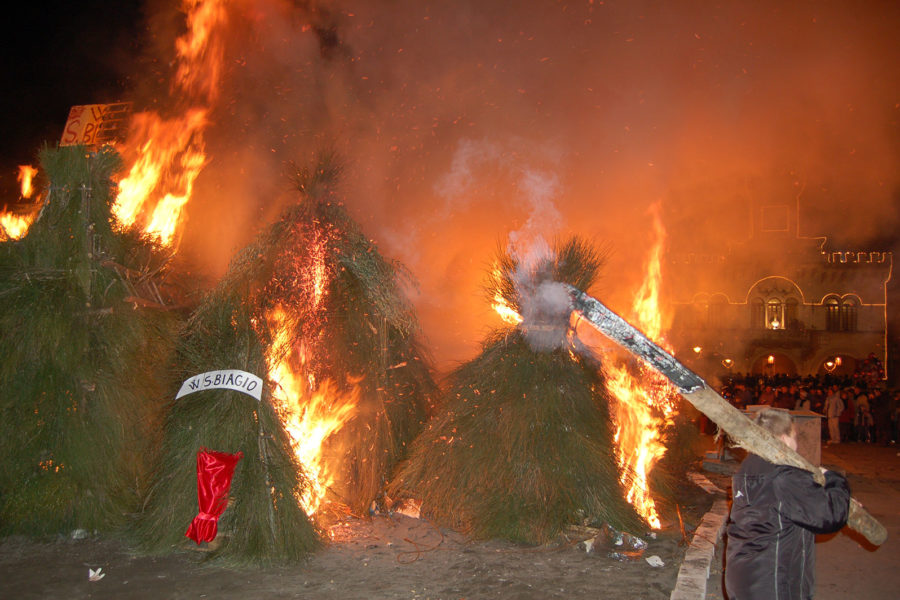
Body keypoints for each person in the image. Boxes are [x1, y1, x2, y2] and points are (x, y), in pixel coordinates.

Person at [725, 408, 850, 600]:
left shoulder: (748, 468)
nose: (797, 444)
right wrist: (835, 482)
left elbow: (787, 508)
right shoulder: (784, 476)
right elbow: (829, 516)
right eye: (795, 436)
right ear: (783, 439)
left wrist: (825, 495)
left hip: (745, 578)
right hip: (773, 583)